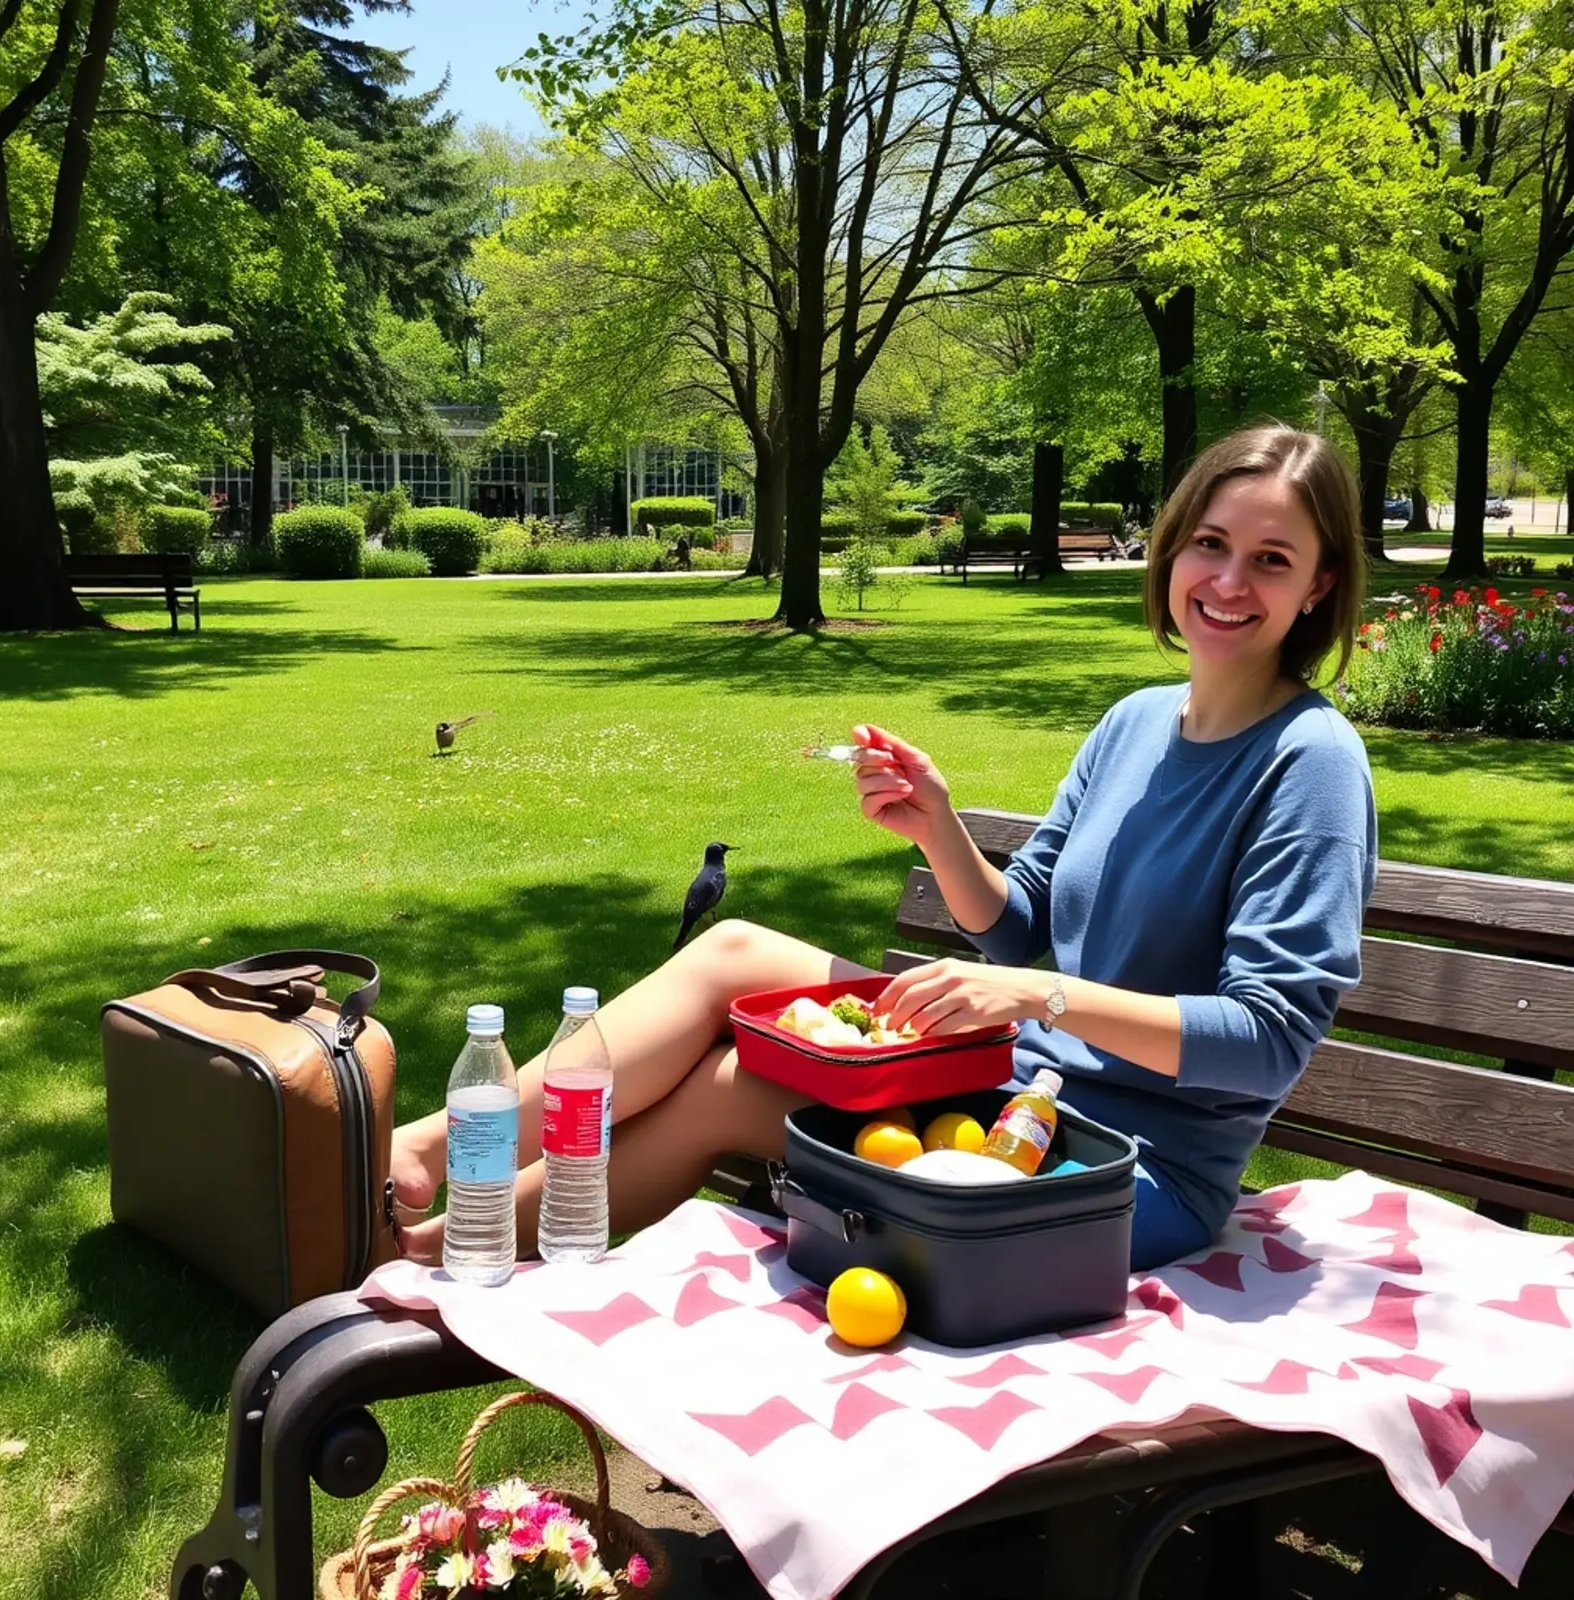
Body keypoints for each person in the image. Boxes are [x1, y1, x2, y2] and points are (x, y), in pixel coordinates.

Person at [390, 423, 1376, 1272]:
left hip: (1117, 1163)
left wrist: (1042, 999)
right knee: (732, 952)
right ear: (1173, 547)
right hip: (1007, 1083)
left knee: (728, 1090)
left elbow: (1266, 1039)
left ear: (1319, 583)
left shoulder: (1309, 761)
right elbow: (1015, 925)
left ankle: (426, 1251)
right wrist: (939, 825)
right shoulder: (1135, 722)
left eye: (1271, 559)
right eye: (1210, 543)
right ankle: (423, 1156)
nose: (1228, 581)